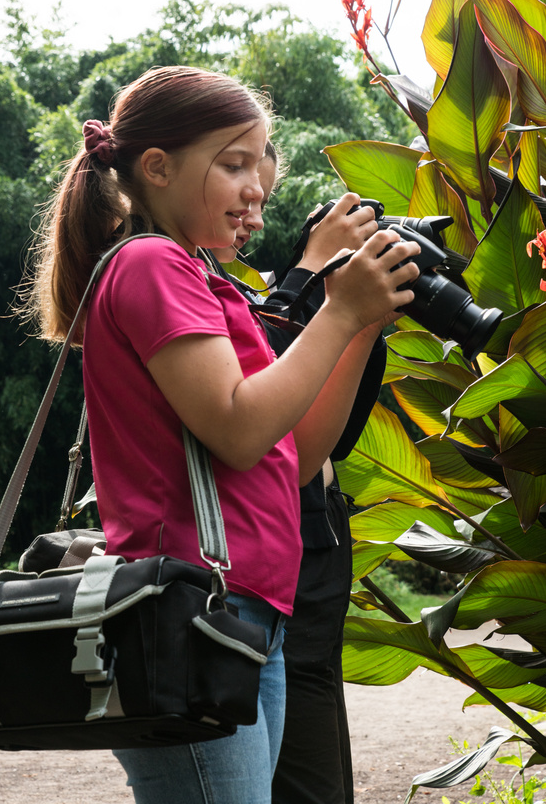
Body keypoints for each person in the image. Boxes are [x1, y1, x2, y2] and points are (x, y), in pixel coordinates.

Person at [25, 65, 420, 804]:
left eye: (259, 165)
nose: (256, 187)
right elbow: (239, 431)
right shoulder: (152, 264)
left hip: (242, 616)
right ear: (159, 169)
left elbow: (293, 454)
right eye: (233, 164)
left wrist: (361, 322)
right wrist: (334, 315)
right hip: (190, 616)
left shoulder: (209, 282)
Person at [211, 151, 385, 804]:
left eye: (264, 189)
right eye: (237, 175)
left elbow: (317, 442)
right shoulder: (172, 285)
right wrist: (312, 279)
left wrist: (365, 322)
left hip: (307, 567)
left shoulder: (234, 292)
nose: (254, 202)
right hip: (247, 579)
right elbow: (260, 421)